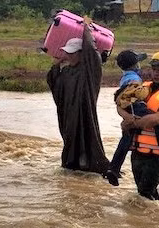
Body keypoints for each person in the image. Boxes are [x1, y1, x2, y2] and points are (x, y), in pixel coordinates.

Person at [104, 50, 159, 186]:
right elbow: (121, 103)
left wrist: (131, 123)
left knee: (145, 192)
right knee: (144, 193)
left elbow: (157, 120)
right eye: (154, 69)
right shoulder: (141, 87)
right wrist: (127, 117)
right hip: (138, 150)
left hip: (158, 154)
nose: (156, 73)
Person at [46, 23, 110, 173]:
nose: (69, 55)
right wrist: (55, 65)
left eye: (73, 53)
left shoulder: (90, 71)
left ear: (82, 53)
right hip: (69, 117)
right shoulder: (66, 72)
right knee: (71, 148)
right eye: (68, 52)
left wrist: (86, 31)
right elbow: (54, 83)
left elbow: (93, 54)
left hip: (85, 114)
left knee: (87, 141)